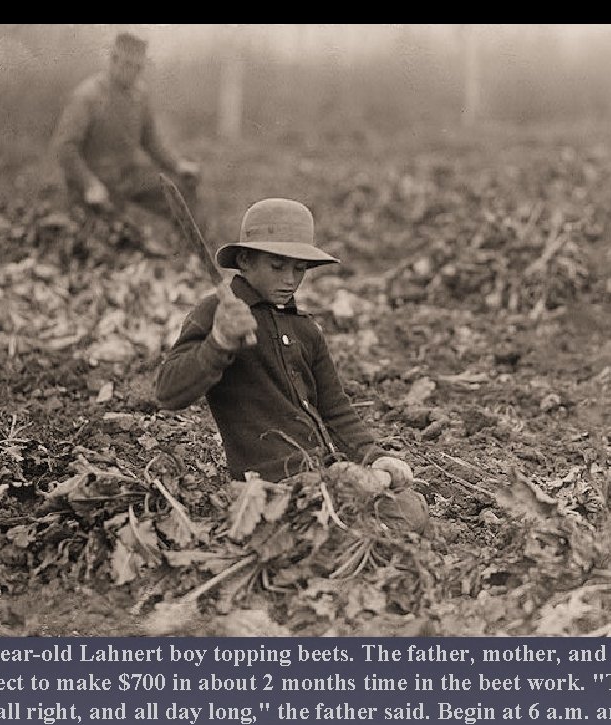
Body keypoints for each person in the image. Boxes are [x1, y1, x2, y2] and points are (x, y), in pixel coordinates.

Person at [155, 198, 429, 534]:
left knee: (410, 509)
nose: (290, 279)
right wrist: (220, 343)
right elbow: (168, 392)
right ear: (245, 260)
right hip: (267, 488)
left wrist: (374, 457)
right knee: (365, 507)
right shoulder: (218, 313)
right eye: (277, 266)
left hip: (323, 473)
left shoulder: (304, 328)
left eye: (299, 269)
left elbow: (336, 409)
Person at [50, 31, 201, 220]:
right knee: (113, 236)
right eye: (128, 64)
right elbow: (65, 148)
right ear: (113, 60)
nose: (133, 73)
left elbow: (151, 140)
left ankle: (188, 248)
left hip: (127, 178)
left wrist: (177, 164)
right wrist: (89, 184)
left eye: (138, 67)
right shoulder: (87, 95)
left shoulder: (139, 95)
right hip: (94, 184)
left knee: (180, 191)